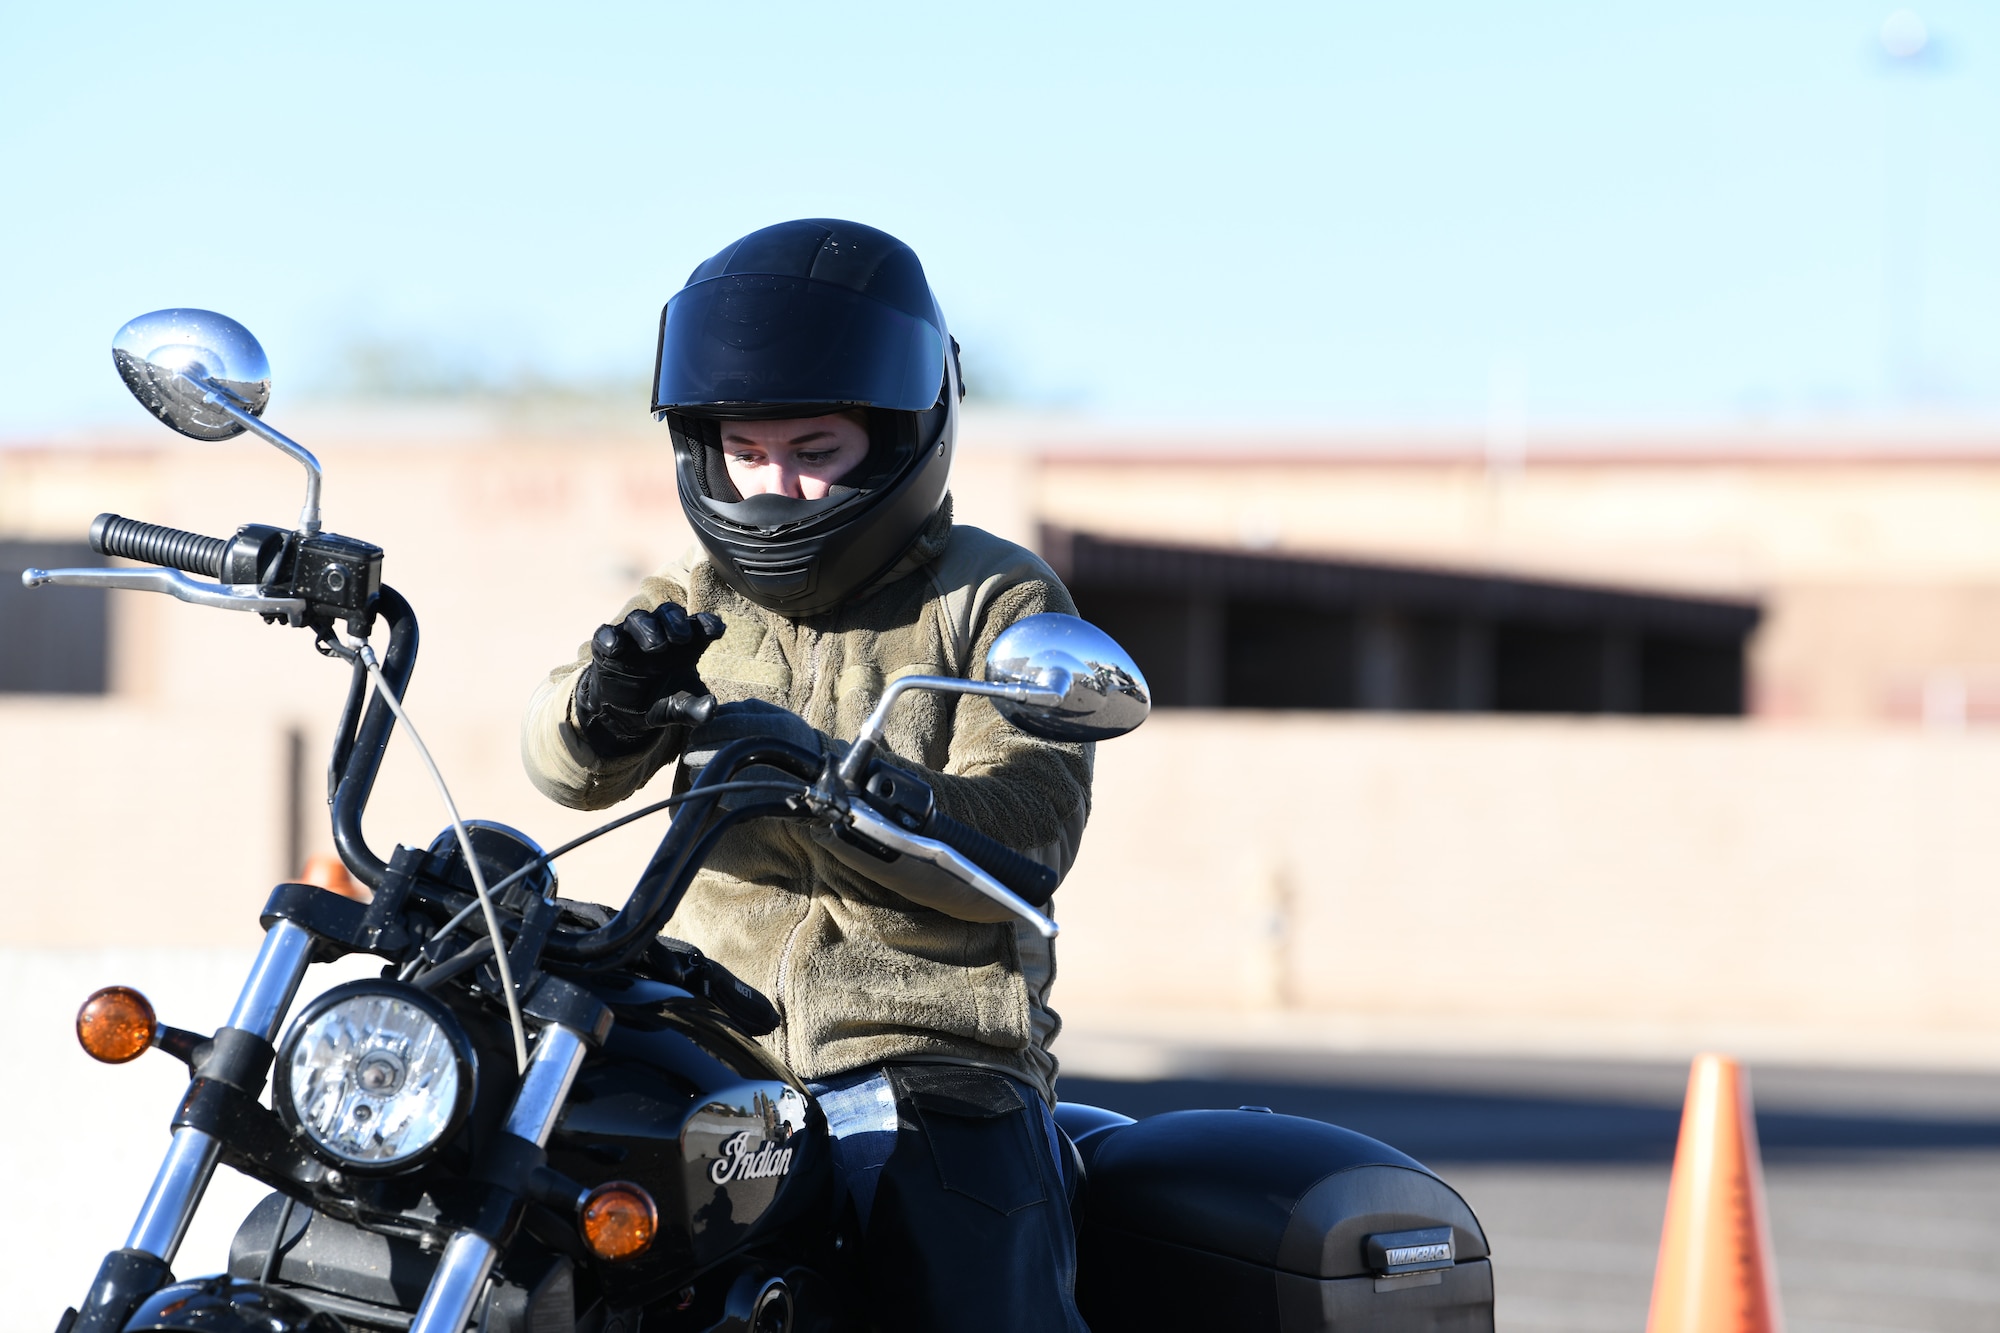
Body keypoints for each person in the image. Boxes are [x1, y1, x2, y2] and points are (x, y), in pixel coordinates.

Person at [520, 219, 1092, 1331]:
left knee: (963, 1291)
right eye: (745, 450)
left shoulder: (994, 600)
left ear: (896, 437)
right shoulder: (691, 599)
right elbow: (559, 768)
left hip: (926, 1054)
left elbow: (1024, 837)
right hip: (706, 1048)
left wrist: (843, 783)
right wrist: (605, 704)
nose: (774, 486)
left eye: (813, 450)